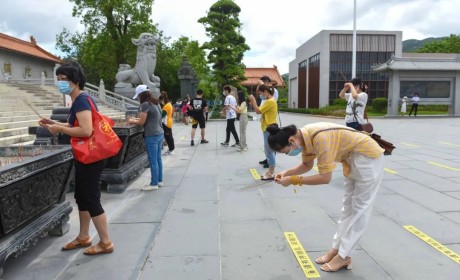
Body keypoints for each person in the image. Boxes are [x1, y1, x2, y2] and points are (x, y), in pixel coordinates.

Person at [266, 122, 385, 272]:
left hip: (368, 158)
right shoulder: (304, 137)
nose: (289, 154)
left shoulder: (319, 138)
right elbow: (306, 165)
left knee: (360, 209)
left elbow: (325, 178)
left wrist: (293, 180)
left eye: (286, 151)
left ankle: (344, 256)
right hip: (351, 159)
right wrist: (287, 173)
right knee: (347, 208)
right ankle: (336, 250)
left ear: (291, 141)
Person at [39, 61, 114, 255]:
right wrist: (55, 123)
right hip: (84, 157)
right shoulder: (79, 100)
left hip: (91, 158)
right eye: (58, 79)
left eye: (64, 79)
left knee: (91, 198)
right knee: (81, 196)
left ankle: (105, 242)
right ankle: (83, 236)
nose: (60, 83)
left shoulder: (81, 99)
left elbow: (86, 130)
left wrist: (60, 129)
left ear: (76, 80)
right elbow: (78, 123)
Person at [128, 85, 164, 190]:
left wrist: (131, 120)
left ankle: (153, 184)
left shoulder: (145, 104)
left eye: (138, 96)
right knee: (158, 159)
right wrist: (136, 118)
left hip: (152, 135)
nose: (138, 98)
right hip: (159, 133)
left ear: (141, 95)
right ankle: (159, 180)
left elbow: (141, 121)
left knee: (153, 160)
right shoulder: (155, 102)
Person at [248, 84, 278, 180]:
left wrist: (253, 101)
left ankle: (271, 173)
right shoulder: (270, 100)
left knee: (269, 152)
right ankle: (270, 171)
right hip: (269, 128)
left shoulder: (270, 102)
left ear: (265, 92)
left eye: (260, 93)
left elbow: (257, 111)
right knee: (270, 151)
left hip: (269, 129)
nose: (260, 96)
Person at [258, 75, 279, 167]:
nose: (261, 95)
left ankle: (271, 163)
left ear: (266, 82)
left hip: (269, 123)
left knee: (270, 146)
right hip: (265, 119)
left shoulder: (274, 92)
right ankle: (268, 160)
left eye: (262, 92)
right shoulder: (266, 96)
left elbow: (270, 103)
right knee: (268, 146)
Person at [159, 91, 175, 155]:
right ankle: (171, 149)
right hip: (169, 122)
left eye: (161, 101)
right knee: (169, 136)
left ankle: (171, 150)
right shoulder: (169, 104)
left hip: (166, 123)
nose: (161, 103)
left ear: (163, 99)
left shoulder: (166, 106)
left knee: (168, 137)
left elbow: (161, 115)